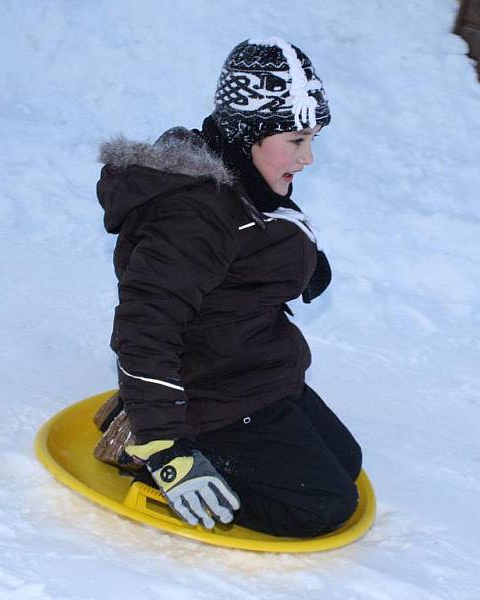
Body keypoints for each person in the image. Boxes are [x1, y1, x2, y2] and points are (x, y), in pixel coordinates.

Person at [94, 37, 362, 538]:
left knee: (346, 461)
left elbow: (255, 235)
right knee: (322, 507)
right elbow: (145, 330)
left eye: (313, 139)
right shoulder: (190, 218)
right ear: (247, 134)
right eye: (297, 140)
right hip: (207, 391)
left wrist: (304, 266)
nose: (308, 159)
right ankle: (142, 442)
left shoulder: (247, 176)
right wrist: (168, 452)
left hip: (250, 366)